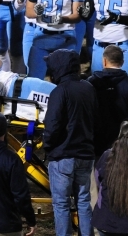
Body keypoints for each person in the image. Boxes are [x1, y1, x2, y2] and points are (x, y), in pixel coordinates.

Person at [43, 49, 96, 236]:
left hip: (63, 156)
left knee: (62, 204)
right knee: (83, 201)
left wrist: (47, 147)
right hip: (86, 155)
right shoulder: (88, 88)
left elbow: (53, 124)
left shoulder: (60, 91)